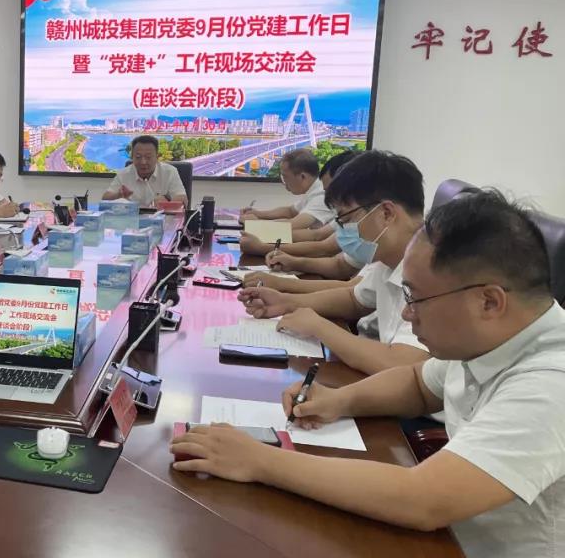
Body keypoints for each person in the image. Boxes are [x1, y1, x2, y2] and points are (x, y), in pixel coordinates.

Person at [172, 190, 565, 558]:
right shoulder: (492, 338)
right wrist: (338, 399)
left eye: (416, 298)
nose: (407, 312)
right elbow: (418, 383)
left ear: (489, 301)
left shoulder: (550, 383)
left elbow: (425, 499)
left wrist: (258, 460)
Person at [238, 151, 428, 375]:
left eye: (347, 220)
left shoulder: (435, 269)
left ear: (386, 213)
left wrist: (319, 327)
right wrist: (285, 302)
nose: (343, 231)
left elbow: (404, 364)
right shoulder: (390, 258)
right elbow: (354, 299)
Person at [240, 150, 359, 258]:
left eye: (285, 177)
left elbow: (296, 227)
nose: (329, 198)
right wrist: (258, 216)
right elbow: (292, 213)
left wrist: (257, 229)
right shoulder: (316, 191)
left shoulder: (322, 196)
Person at [240, 148, 332, 230]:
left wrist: (255, 223)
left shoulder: (322, 195)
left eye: (285, 177)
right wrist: (258, 213)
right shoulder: (314, 189)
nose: (283, 182)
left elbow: (292, 225)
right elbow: (290, 212)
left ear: (302, 177)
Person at [102, 135, 187, 207]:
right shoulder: (123, 174)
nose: (143, 162)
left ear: (157, 157)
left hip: (163, 219)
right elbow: (104, 199)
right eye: (138, 157)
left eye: (148, 157)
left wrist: (167, 204)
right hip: (132, 219)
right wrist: (118, 195)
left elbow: (183, 199)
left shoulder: (170, 172)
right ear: (132, 157)